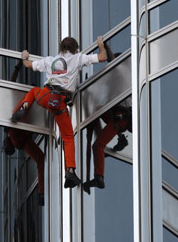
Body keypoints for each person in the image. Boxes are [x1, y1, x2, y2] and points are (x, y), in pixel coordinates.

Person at [11, 36, 107, 188]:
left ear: (61, 48)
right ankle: (69, 171)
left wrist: (24, 57)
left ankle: (24, 106)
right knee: (68, 137)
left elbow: (28, 64)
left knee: (34, 91)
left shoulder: (49, 60)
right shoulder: (78, 58)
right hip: (59, 101)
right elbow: (102, 57)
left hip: (45, 96)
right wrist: (101, 44)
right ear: (75, 48)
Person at [83, 43, 132, 193]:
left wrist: (106, 47)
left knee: (97, 146)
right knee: (97, 109)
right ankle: (121, 138)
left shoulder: (123, 74)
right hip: (117, 115)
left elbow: (113, 62)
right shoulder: (120, 81)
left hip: (120, 118)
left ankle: (99, 178)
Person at [2, 60, 45, 205]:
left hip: (28, 108)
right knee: (14, 115)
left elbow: (40, 159)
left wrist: (41, 192)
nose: (4, 144)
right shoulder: (15, 137)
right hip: (28, 108)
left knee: (14, 115)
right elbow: (40, 159)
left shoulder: (16, 138)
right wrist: (41, 192)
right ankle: (26, 105)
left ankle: (25, 105)